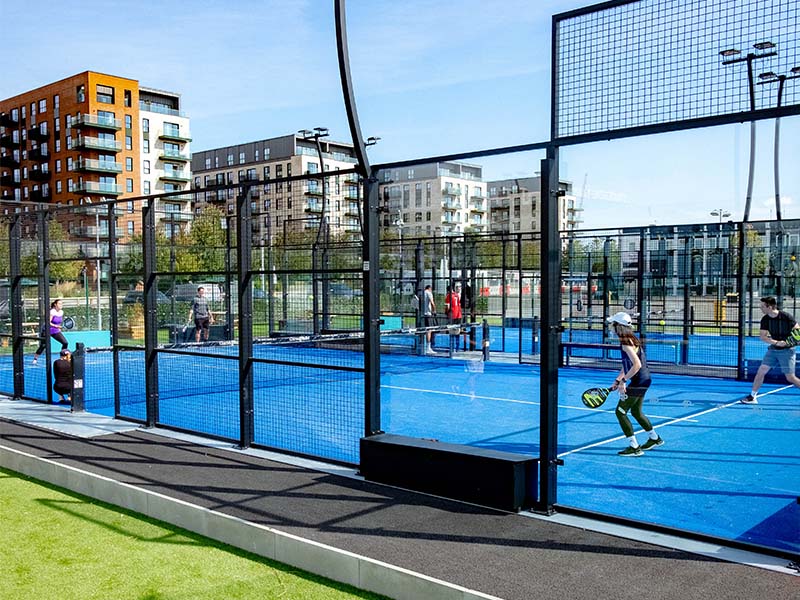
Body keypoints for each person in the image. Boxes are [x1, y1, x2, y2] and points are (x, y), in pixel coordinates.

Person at [607, 312, 664, 457]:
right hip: (645, 379)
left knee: (620, 412)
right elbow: (628, 364)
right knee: (636, 412)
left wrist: (624, 381)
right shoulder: (631, 339)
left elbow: (636, 365)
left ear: (618, 326)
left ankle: (634, 447)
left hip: (638, 381)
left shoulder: (626, 343)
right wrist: (618, 380)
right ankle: (654, 438)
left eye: (612, 324)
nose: (610, 326)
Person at [743, 296, 800, 404]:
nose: (760, 308)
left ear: (769, 307)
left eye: (762, 306)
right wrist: (776, 343)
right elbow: (763, 336)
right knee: (761, 371)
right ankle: (752, 396)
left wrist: (788, 342)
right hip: (773, 350)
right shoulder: (765, 319)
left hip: (787, 351)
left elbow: (798, 331)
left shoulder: (786, 317)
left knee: (790, 378)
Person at [32, 298, 69, 365]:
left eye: (62, 304)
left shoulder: (61, 312)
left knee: (65, 343)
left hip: (55, 330)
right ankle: (35, 358)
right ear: (55, 304)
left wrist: (58, 327)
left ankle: (62, 358)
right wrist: (56, 326)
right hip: (46, 330)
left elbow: (58, 322)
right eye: (59, 304)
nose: (61, 305)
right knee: (43, 345)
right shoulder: (52, 312)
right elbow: (48, 322)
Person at [445, 283, 463, 350]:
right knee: (457, 331)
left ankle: (452, 347)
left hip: (452, 315)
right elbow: (458, 304)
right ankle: (457, 346)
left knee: (451, 331)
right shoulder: (456, 295)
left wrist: (446, 312)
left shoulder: (448, 296)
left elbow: (447, 306)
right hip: (458, 315)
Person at [423, 284, 437, 354]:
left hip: (422, 314)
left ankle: (422, 346)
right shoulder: (429, 293)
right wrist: (434, 310)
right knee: (429, 330)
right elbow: (432, 302)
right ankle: (428, 348)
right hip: (428, 314)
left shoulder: (422, 293)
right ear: (430, 288)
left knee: (423, 330)